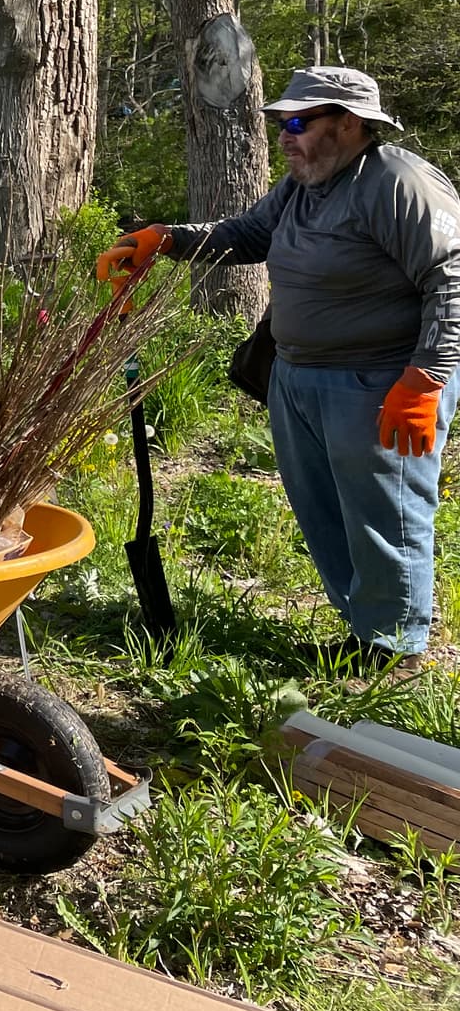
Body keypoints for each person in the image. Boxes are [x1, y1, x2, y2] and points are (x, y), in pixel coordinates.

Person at [97, 66, 460, 673]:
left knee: (385, 516)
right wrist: (164, 239)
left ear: (349, 124)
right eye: (280, 124)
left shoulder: (396, 182)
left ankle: (395, 652)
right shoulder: (303, 185)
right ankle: (365, 632)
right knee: (324, 511)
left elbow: (451, 280)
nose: (284, 135)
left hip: (379, 384)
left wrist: (426, 378)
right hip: (298, 378)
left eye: (298, 122)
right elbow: (247, 235)